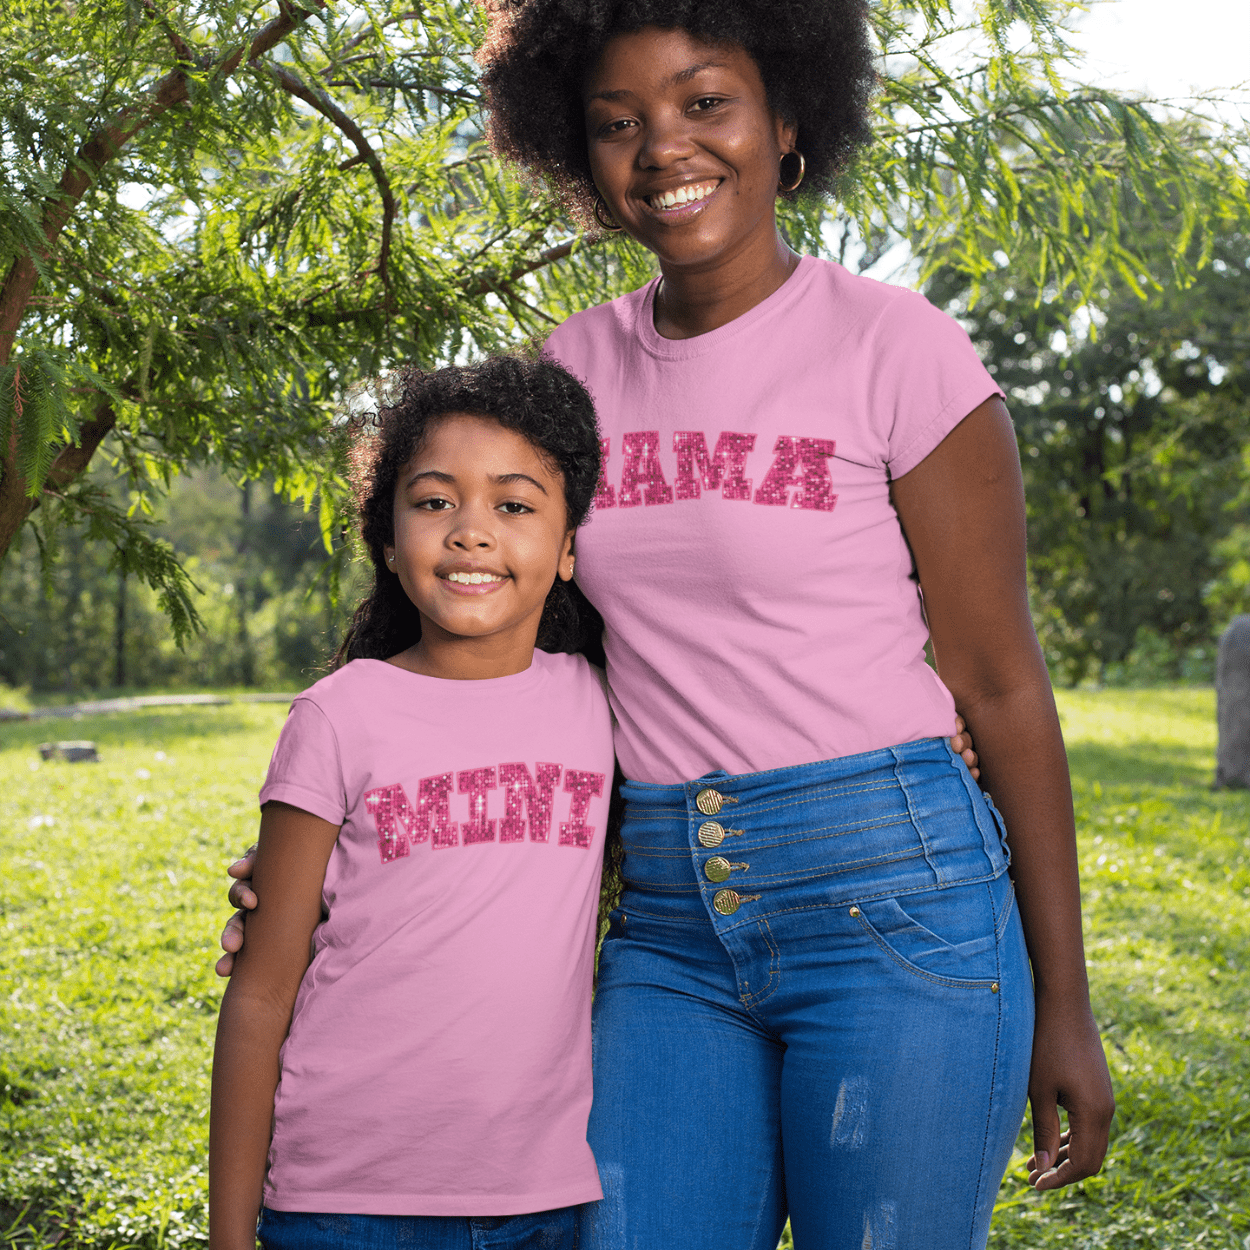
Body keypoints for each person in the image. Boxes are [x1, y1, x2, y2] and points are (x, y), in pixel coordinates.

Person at [221, 2, 1116, 1246]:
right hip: (666, 927)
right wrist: (332, 847)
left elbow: (1000, 682)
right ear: (573, 152)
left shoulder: (898, 349)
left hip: (894, 895)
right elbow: (498, 632)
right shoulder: (565, 372)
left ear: (788, 116)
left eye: (704, 104)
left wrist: (1064, 1000)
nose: (663, 149)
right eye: (616, 123)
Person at [208, 355, 615, 1250]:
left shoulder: (606, 701)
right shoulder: (338, 713)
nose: (471, 532)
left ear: (571, 545)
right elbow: (263, 989)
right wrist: (230, 1237)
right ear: (388, 540)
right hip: (343, 1204)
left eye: (514, 505)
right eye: (435, 502)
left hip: (538, 1201)